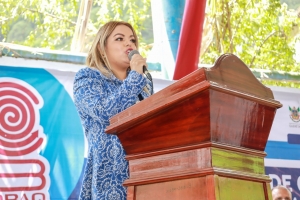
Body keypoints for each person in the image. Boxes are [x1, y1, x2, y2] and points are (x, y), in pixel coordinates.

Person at [73, 21, 153, 199]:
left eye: (132, 40)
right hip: (109, 180)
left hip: (146, 178)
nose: (129, 44)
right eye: (120, 39)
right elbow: (105, 113)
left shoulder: (143, 86)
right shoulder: (87, 78)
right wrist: (135, 78)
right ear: (102, 48)